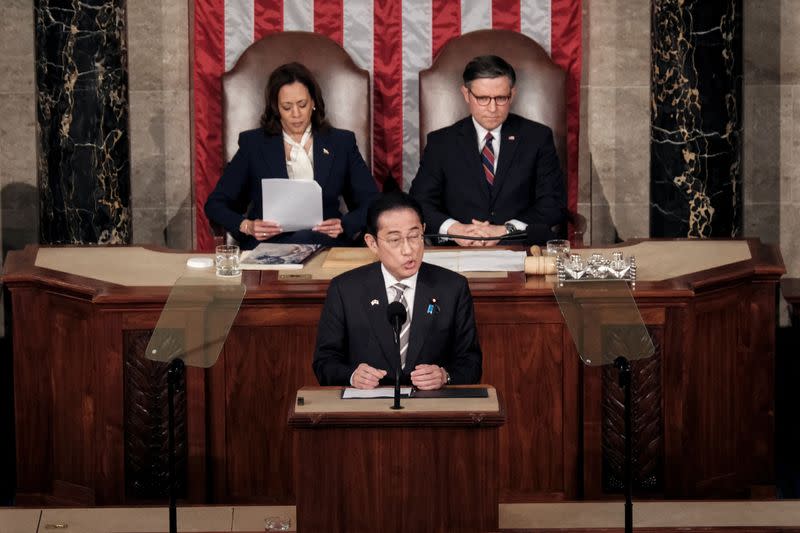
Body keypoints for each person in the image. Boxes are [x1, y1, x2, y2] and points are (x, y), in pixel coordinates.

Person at [312, 191, 482, 390]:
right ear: (372, 243)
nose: (408, 249)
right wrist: (352, 376)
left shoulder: (452, 287)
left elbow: (471, 363)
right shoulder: (345, 289)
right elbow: (324, 363)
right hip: (367, 410)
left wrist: (445, 376)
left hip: (430, 408)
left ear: (424, 231)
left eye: (414, 236)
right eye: (395, 240)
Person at [204, 62, 378, 249]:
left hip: (325, 244)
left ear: (313, 102)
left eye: (302, 105)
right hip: (268, 247)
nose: (296, 114)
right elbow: (216, 204)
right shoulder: (253, 144)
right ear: (276, 108)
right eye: (287, 107)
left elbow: (373, 201)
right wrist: (247, 226)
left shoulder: (341, 143)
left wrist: (344, 225)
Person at [409, 55, 566, 246]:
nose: (492, 108)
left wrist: (506, 230)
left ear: (512, 94)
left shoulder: (537, 138)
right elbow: (419, 202)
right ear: (466, 94)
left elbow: (552, 203)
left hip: (519, 248)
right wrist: (455, 229)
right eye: (482, 98)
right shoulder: (441, 142)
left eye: (501, 98)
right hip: (459, 252)